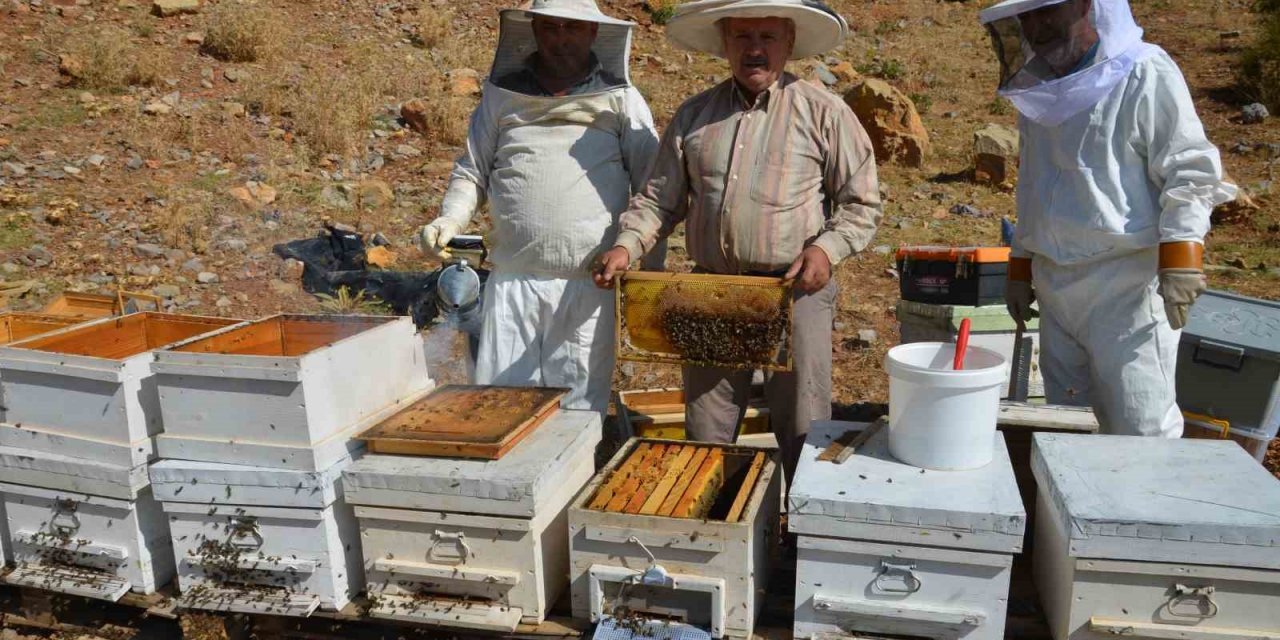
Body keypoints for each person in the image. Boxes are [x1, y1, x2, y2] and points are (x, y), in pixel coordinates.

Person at [594, 0, 882, 482]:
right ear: (724, 44)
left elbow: (862, 203)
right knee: (707, 426)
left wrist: (825, 250)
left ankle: (801, 539)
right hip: (712, 293)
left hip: (796, 293)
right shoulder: (695, 115)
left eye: (767, 37)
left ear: (789, 44)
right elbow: (659, 201)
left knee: (804, 425)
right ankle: (723, 535)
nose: (755, 49)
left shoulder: (824, 112)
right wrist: (627, 245)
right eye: (742, 37)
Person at [980, 0, 1236, 437]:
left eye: (1046, 12)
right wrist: (1021, 265)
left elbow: (1190, 170)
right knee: (1067, 428)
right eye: (1026, 17)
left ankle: (1144, 509)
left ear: (1086, 5)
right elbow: (1034, 186)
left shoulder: (1145, 71)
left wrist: (1181, 255)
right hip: (1056, 287)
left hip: (1127, 287)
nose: (1035, 27)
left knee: (1140, 427)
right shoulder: (1040, 92)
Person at [417, 0, 663, 414]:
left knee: (577, 415)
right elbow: (473, 170)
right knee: (501, 409)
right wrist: (451, 217)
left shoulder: (622, 99)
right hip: (512, 281)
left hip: (589, 284)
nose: (560, 39)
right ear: (534, 31)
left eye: (572, 28)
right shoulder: (502, 96)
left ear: (592, 34)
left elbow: (652, 187)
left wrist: (650, 274)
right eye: (550, 27)